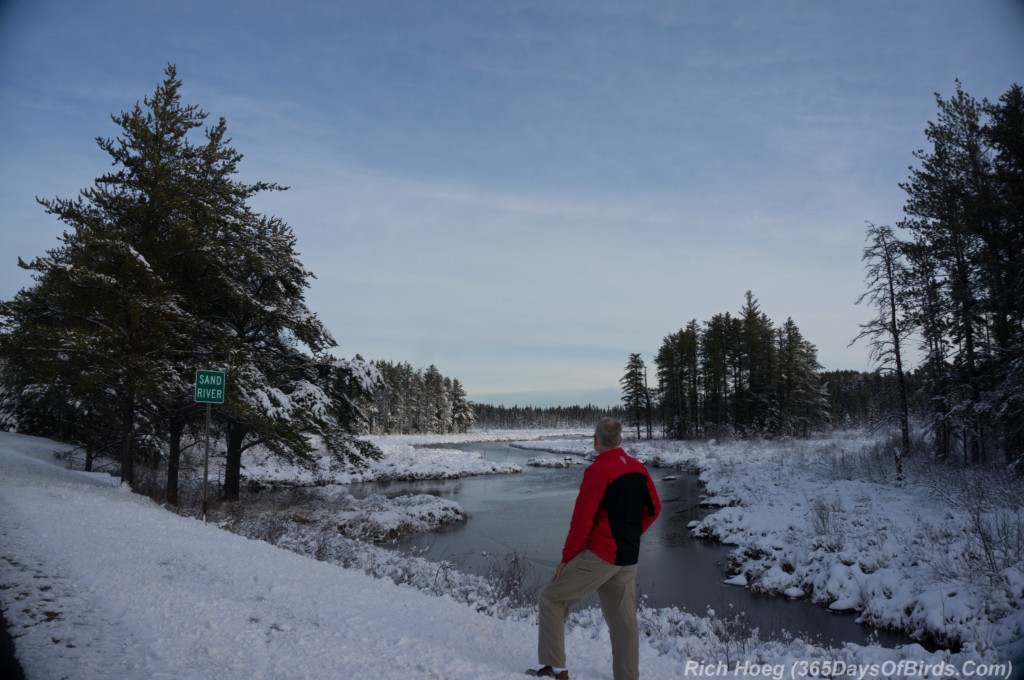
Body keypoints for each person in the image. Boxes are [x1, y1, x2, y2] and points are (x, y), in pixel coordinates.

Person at [527, 417, 661, 680]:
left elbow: (582, 521)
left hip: (601, 555)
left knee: (552, 598)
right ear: (620, 439)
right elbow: (654, 510)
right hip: (627, 556)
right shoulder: (638, 469)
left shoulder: (597, 471)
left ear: (596, 440)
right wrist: (631, 534)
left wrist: (567, 559)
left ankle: (556, 669)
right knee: (623, 622)